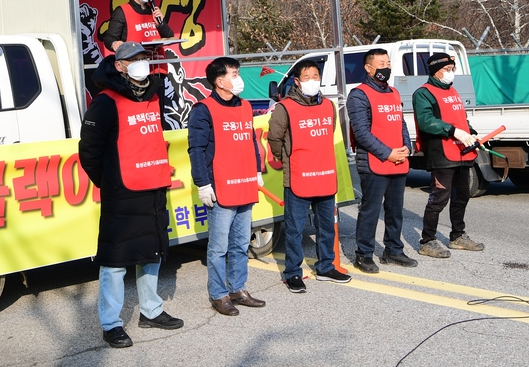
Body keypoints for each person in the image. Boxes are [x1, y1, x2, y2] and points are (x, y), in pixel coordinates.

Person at [78, 41, 183, 348]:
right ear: (120, 65)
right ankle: (111, 323)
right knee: (116, 258)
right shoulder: (105, 102)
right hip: (122, 189)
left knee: (151, 251)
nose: (142, 64)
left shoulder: (152, 94)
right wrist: (108, 181)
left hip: (153, 186)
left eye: (144, 58)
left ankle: (150, 310)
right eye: (134, 59)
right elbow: (89, 150)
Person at [188, 57, 266, 316]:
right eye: (233, 74)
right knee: (219, 247)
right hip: (221, 187)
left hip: (245, 184)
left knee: (241, 243)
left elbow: (251, 142)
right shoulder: (203, 109)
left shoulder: (245, 105)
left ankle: (238, 288)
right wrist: (202, 183)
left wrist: (257, 170)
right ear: (219, 81)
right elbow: (196, 149)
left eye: (237, 73)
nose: (238, 78)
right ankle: (219, 294)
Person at [268, 59, 351, 293]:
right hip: (298, 178)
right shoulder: (285, 108)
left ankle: (326, 267)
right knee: (294, 230)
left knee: (326, 227)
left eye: (316, 76)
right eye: (307, 78)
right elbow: (275, 139)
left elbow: (329, 133)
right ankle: (293, 272)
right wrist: (289, 160)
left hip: (325, 176)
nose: (312, 81)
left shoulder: (328, 107)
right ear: (297, 81)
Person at [347, 48, 415, 274]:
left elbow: (400, 124)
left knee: (395, 210)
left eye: (388, 63)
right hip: (374, 163)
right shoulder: (359, 95)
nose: (386, 67)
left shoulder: (394, 92)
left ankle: (393, 250)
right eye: (381, 63)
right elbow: (362, 133)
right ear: (368, 68)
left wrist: (407, 146)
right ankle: (363, 254)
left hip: (398, 161)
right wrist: (388, 153)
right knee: (370, 210)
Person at [413, 52, 484, 258]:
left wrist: (471, 135)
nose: (450, 73)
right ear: (435, 71)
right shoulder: (424, 93)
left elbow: (461, 119)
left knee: (462, 195)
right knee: (439, 197)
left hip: (462, 151)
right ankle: (427, 240)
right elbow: (426, 121)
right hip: (442, 152)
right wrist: (453, 131)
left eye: (452, 69)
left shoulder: (452, 91)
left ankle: (457, 236)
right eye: (447, 69)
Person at [102, 0, 175, 51]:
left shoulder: (153, 10)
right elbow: (110, 38)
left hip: (157, 61)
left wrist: (160, 25)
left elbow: (170, 37)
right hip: (135, 61)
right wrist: (114, 43)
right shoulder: (122, 11)